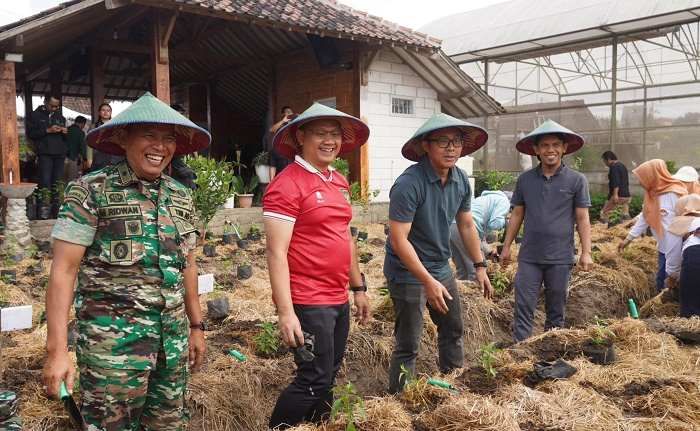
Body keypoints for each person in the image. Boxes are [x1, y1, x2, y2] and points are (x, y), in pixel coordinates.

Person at [42, 92, 210, 430]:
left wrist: (196, 327)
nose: (160, 146)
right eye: (149, 135)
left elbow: (187, 264)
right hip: (113, 355)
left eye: (168, 139)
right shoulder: (90, 191)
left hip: (171, 347)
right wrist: (57, 351)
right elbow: (63, 272)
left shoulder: (181, 195)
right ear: (123, 137)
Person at [263, 103, 371, 429]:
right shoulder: (287, 184)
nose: (329, 141)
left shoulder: (337, 181)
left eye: (335, 134)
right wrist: (286, 312)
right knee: (313, 378)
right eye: (321, 133)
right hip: (309, 299)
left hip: (338, 297)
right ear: (300, 137)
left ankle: (318, 426)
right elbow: (275, 252)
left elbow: (346, 238)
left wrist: (359, 288)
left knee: (329, 375)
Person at [384, 113, 493, 394]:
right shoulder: (410, 183)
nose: (451, 148)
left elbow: (466, 224)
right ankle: (399, 400)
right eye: (442, 141)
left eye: (456, 141)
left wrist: (479, 265)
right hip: (407, 270)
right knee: (409, 342)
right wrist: (426, 281)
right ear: (425, 146)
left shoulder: (460, 180)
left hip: (439, 266)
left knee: (452, 328)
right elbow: (399, 240)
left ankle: (453, 384)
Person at [500, 120, 592, 343]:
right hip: (529, 257)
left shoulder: (577, 180)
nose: (550, 150)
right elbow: (517, 215)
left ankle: (551, 350)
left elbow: (582, 217)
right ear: (536, 150)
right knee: (523, 306)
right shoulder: (525, 180)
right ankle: (520, 353)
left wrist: (586, 252)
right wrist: (506, 247)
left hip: (560, 257)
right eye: (545, 146)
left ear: (564, 148)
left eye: (555, 145)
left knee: (556, 309)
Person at [619, 159, 688, 292]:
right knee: (661, 282)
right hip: (664, 248)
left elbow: (681, 228)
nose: (640, 182)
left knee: (672, 284)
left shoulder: (675, 194)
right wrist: (627, 240)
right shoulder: (652, 194)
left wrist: (674, 269)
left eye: (642, 177)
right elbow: (645, 218)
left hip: (678, 250)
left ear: (652, 176)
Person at [449, 190, 511, 281]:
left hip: (452, 227)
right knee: (477, 270)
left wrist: (488, 252)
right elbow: (495, 223)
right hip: (466, 228)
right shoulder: (504, 201)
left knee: (463, 271)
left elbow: (479, 237)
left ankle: (463, 294)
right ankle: (479, 293)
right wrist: (506, 223)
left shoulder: (484, 199)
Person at [27, 94, 68, 218]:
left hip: (59, 154)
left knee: (58, 183)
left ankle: (57, 212)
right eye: (52, 106)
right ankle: (43, 213)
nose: (55, 108)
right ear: (45, 102)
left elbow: (64, 139)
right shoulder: (34, 115)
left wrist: (65, 132)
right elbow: (31, 134)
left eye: (57, 106)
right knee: (45, 182)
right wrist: (47, 130)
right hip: (45, 154)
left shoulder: (60, 117)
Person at [666, 194, 700, 317]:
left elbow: (673, 257)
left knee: (692, 314)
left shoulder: (679, 222)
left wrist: (672, 277)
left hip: (696, 257)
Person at [89, 102, 125, 171]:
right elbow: (88, 144)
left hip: (115, 158)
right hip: (99, 158)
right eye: (103, 110)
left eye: (108, 110)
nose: (105, 112)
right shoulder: (94, 126)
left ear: (111, 113)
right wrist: (89, 159)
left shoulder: (117, 126)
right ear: (99, 112)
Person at [600, 150, 631, 224]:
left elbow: (616, 182)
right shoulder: (622, 165)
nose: (605, 163)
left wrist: (615, 195)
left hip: (619, 195)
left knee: (604, 213)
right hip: (626, 196)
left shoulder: (613, 167)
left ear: (608, 159)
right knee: (624, 215)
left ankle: (604, 230)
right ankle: (627, 229)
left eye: (604, 161)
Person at [269, 106, 295, 180]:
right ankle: (272, 183)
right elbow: (271, 130)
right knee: (273, 156)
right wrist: (283, 121)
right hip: (278, 149)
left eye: (291, 112)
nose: (290, 113)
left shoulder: (294, 123)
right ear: (283, 114)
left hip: (289, 150)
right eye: (287, 112)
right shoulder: (281, 124)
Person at [64, 116, 87, 182]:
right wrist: (85, 159)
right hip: (73, 158)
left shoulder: (66, 129)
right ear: (82, 124)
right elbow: (82, 147)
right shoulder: (80, 132)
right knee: (72, 180)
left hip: (62, 158)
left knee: (62, 180)